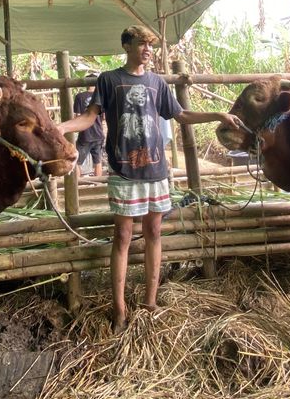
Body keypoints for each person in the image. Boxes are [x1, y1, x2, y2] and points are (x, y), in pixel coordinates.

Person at [58, 25, 242, 330]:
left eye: (150, 45)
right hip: (123, 169)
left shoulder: (157, 83)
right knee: (123, 237)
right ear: (127, 45)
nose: (147, 49)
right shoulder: (110, 80)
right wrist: (62, 127)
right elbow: (90, 117)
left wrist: (218, 115)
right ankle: (119, 309)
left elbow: (180, 115)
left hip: (156, 171)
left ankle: (150, 302)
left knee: (154, 232)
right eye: (142, 43)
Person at [71, 74, 105, 176]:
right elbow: (103, 118)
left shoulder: (79, 97)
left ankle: (78, 186)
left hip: (85, 135)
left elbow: (77, 117)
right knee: (98, 162)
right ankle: (97, 185)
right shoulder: (102, 97)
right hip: (99, 134)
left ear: (86, 83)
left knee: (76, 161)